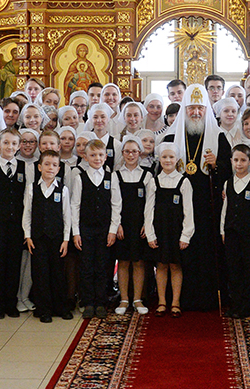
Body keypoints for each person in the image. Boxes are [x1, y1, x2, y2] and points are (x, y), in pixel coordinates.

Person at [162, 84, 230, 311]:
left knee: (206, 249)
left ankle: (206, 298)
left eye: (200, 108)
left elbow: (229, 171)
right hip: (177, 206)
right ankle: (179, 298)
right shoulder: (171, 136)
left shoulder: (218, 137)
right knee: (181, 250)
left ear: (207, 110)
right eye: (191, 108)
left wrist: (217, 165)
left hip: (207, 205)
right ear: (184, 109)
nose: (196, 112)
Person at [70, 139, 121, 319]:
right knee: (86, 266)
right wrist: (76, 232)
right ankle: (88, 302)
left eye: (100, 155)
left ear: (105, 156)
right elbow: (75, 205)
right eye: (93, 155)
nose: (97, 158)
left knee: (102, 266)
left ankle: (101, 302)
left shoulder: (111, 177)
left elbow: (116, 204)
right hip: (85, 230)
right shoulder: (80, 178)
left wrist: (113, 230)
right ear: (85, 157)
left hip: (104, 230)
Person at [23, 149, 71, 322]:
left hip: (57, 238)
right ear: (40, 167)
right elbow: (27, 214)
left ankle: (60, 307)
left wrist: (66, 239)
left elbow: (67, 216)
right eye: (47, 164)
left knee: (58, 273)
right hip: (37, 238)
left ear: (58, 169)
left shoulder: (63, 190)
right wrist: (28, 235)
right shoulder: (32, 189)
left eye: (54, 165)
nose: (50, 168)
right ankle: (44, 309)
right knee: (40, 273)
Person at [0, 129, 26, 319]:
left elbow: (27, 199)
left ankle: (11, 302)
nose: (10, 147)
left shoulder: (25, 168)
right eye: (6, 143)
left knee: (14, 264)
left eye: (14, 143)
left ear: (19, 146)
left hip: (17, 225)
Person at [148, 141, 194, 316]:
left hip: (176, 231)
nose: (168, 160)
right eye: (164, 157)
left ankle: (175, 302)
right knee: (161, 265)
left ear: (177, 159)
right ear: (159, 159)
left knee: (175, 266)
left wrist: (186, 235)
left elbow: (188, 211)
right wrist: (150, 233)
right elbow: (148, 210)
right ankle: (161, 302)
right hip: (160, 231)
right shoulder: (154, 182)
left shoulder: (184, 181)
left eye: (171, 157)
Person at [220, 144, 250, 319]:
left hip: (248, 233)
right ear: (231, 161)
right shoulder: (228, 183)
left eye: (243, 160)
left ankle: (247, 305)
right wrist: (222, 230)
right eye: (236, 160)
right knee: (233, 268)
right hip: (231, 231)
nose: (239, 164)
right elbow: (225, 209)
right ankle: (235, 304)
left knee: (248, 268)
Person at [113, 135, 153, 315]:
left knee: (138, 262)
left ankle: (137, 299)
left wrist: (147, 224)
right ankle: (124, 299)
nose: (130, 155)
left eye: (134, 151)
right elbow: (114, 203)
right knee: (123, 261)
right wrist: (117, 224)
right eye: (127, 151)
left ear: (139, 153)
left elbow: (150, 203)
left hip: (140, 225)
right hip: (123, 225)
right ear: (122, 153)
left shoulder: (147, 175)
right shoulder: (116, 175)